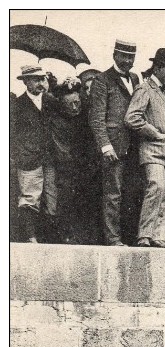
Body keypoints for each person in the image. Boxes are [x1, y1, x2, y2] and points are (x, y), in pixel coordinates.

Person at [125, 48, 165, 249]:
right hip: (152, 151)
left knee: (164, 195)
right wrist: (155, 134)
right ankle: (144, 235)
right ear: (159, 68)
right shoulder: (145, 89)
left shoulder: (164, 92)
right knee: (156, 187)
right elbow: (132, 118)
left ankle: (155, 234)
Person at [88, 39, 142, 246]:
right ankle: (112, 238)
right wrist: (105, 146)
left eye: (131, 57)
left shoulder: (136, 78)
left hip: (134, 146)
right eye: (124, 56)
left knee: (131, 193)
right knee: (113, 194)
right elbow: (96, 118)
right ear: (114, 55)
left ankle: (128, 236)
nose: (128, 61)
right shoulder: (102, 80)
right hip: (114, 147)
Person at [47, 78, 102, 245]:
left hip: (85, 168)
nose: (74, 107)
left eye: (77, 103)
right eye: (69, 104)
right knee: (66, 199)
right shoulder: (57, 121)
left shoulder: (84, 117)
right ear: (61, 104)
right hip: (66, 168)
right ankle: (65, 235)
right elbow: (62, 151)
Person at [11, 64, 57, 244]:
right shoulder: (17, 105)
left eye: (42, 79)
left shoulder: (50, 101)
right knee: (29, 198)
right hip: (28, 160)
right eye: (36, 79)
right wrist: (19, 154)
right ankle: (31, 238)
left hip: (49, 159)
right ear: (26, 82)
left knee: (51, 197)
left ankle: (48, 237)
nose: (40, 83)